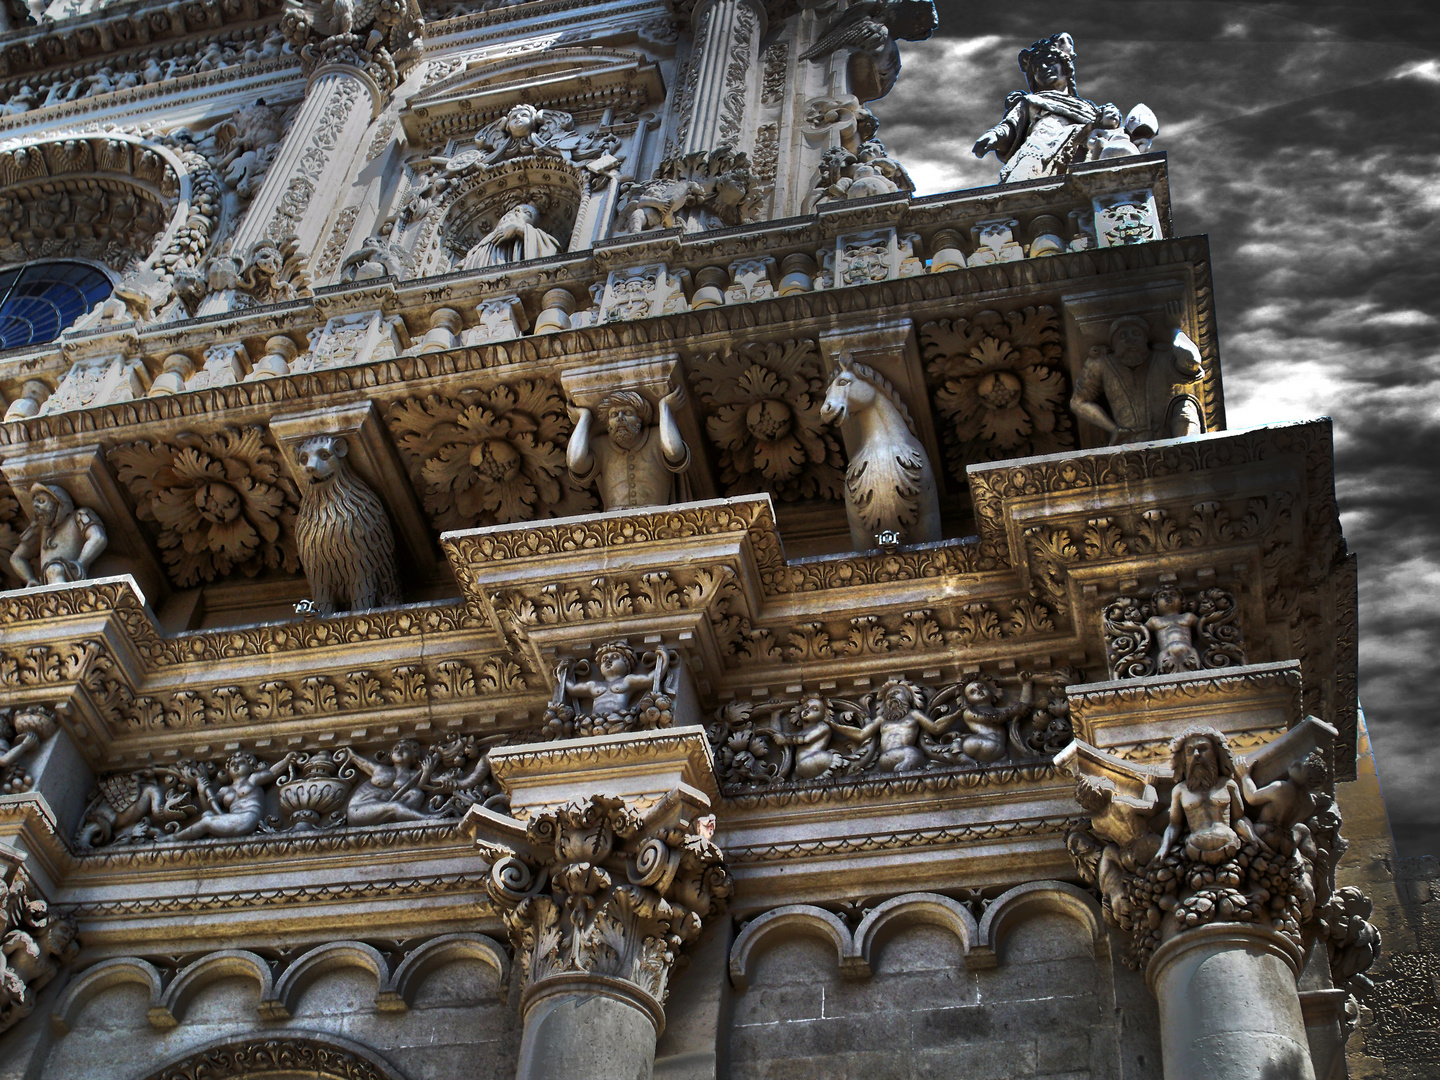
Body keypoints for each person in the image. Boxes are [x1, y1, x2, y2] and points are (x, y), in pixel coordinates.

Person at [972, 32, 1123, 184]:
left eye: (1050, 62)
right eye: (1037, 67)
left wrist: (1109, 120)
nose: (1043, 68)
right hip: (1039, 150)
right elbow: (1010, 125)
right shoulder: (1031, 101)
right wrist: (995, 136)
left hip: (1082, 156)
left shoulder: (1090, 108)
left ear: (1065, 67)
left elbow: (1108, 131)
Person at [1071, 302, 1204, 444]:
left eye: (1136, 333)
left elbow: (1191, 360)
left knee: (1186, 403)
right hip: (1128, 442)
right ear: (1112, 346)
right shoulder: (1102, 364)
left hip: (1166, 435)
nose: (1130, 339)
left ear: (1146, 340)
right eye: (1122, 336)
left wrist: (1175, 329)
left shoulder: (1161, 358)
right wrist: (1113, 428)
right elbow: (1077, 402)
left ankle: (1188, 448)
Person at [567, 389, 689, 509]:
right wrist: (585, 418)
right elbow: (576, 463)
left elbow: (675, 452)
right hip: (614, 522)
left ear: (640, 418)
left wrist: (664, 408)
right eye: (614, 415)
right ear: (608, 423)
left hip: (656, 518)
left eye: (628, 413)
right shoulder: (601, 446)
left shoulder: (656, 438)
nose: (620, 418)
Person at [461, 203, 560, 268]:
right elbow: (465, 263)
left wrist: (518, 230)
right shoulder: (484, 241)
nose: (517, 211)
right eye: (514, 209)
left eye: (527, 213)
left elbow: (551, 251)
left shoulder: (533, 235)